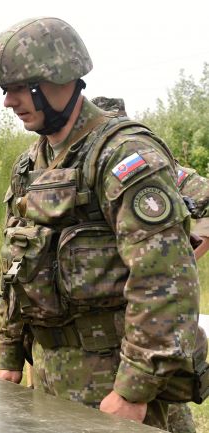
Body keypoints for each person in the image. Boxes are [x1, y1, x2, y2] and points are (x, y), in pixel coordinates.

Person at [0, 17, 202, 430]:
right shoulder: (30, 165)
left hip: (114, 385)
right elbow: (14, 268)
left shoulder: (123, 156)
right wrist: (10, 359)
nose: (8, 102)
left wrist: (133, 391)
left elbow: (165, 281)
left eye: (16, 87)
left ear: (58, 77)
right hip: (50, 379)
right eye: (3, 90)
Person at [93, 96, 209, 433]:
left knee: (166, 408)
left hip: (159, 303)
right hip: (118, 313)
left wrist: (183, 252)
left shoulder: (158, 166)